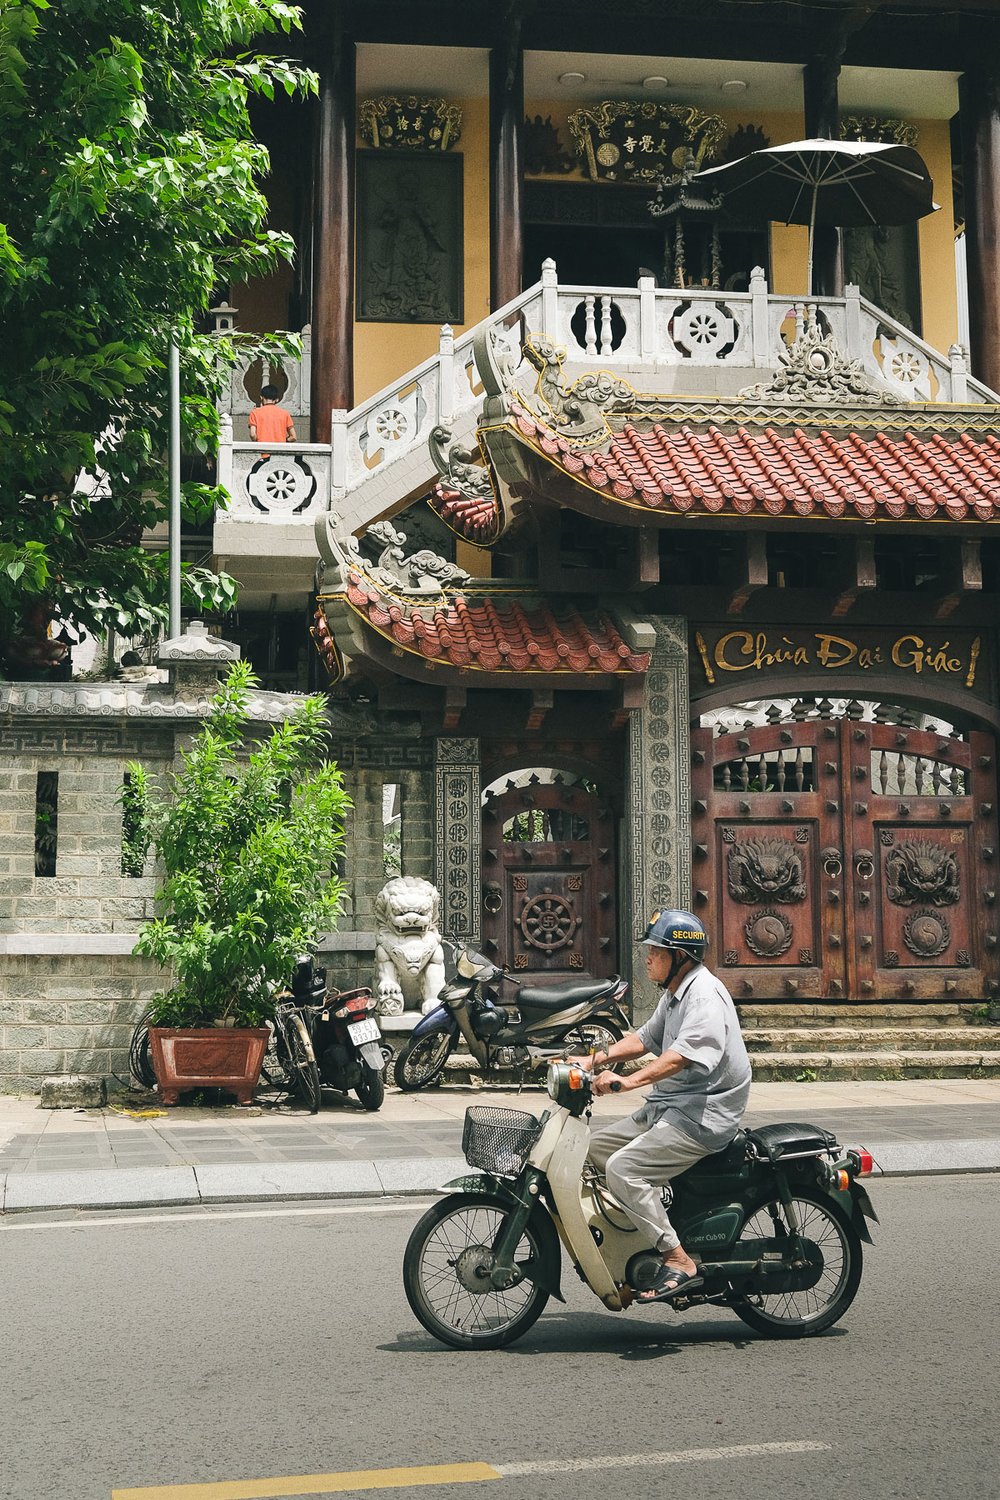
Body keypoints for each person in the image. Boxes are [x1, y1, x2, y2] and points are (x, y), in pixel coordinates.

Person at [574, 909, 751, 1303]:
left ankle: (677, 1257)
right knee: (591, 1151)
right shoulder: (675, 993)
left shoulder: (704, 996)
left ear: (681, 958)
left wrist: (628, 1081)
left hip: (703, 1115)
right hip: (671, 1105)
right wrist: (593, 1060)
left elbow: (680, 1057)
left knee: (624, 1169)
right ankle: (643, 1231)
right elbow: (645, 1038)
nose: (648, 958)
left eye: (656, 951)